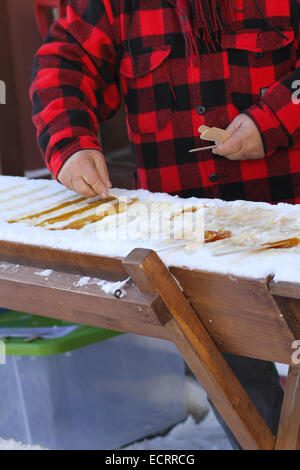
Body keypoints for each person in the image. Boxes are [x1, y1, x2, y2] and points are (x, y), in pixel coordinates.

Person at [30, 0, 300, 449]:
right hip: (187, 249)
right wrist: (71, 144)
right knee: (243, 401)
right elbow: (63, 61)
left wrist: (271, 120)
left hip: (289, 240)